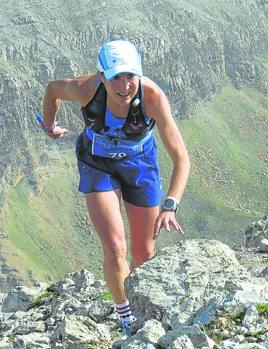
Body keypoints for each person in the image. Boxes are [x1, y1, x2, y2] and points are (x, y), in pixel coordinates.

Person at [39, 39, 190, 336]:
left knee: (144, 253)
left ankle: (143, 307)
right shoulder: (87, 89)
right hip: (97, 163)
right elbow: (53, 89)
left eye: (130, 76)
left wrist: (170, 204)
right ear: (101, 75)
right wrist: (49, 125)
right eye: (115, 77)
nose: (124, 86)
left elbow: (181, 158)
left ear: (140, 74)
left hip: (140, 164)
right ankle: (125, 317)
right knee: (114, 246)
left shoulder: (152, 97)